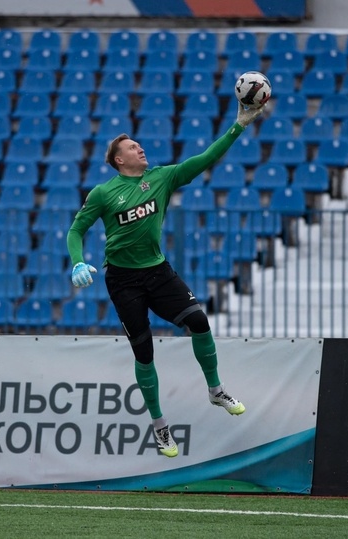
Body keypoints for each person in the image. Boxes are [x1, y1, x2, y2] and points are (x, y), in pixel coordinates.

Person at [66, 102, 265, 458]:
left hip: (158, 272)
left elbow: (204, 159)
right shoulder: (102, 193)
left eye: (138, 144)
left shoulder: (160, 177)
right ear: (118, 160)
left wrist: (238, 126)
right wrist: (78, 263)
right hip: (123, 281)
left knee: (199, 321)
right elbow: (76, 230)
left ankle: (215, 389)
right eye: (131, 147)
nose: (139, 148)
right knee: (144, 352)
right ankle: (160, 428)